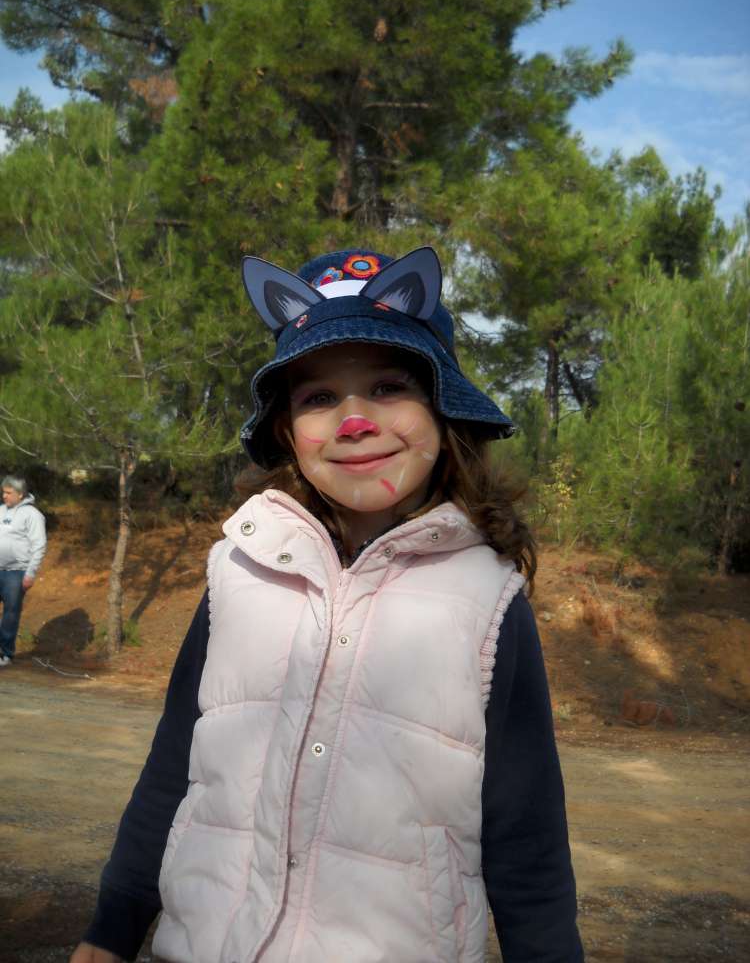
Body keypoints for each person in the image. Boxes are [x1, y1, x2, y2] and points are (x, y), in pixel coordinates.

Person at [71, 247, 583, 963]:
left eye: (388, 387)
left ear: (443, 409)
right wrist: (114, 925)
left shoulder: (488, 598)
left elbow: (526, 828)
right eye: (318, 398)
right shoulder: (238, 570)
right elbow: (172, 766)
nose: (353, 421)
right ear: (286, 429)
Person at [0, 474, 46, 667]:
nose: (4, 496)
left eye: (8, 493)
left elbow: (39, 545)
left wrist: (30, 573)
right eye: (3, 492)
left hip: (16, 572)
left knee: (10, 613)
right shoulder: (1, 511)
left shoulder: (32, 515)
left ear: (20, 494)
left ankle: (5, 654)